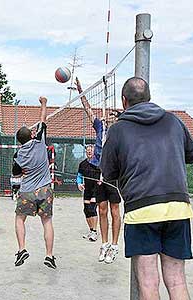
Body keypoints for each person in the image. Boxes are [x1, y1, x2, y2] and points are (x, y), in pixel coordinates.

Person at [101, 77, 193, 299]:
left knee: (148, 283)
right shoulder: (174, 121)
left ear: (124, 101)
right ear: (149, 98)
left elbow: (108, 173)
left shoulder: (118, 130)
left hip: (141, 208)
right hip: (178, 206)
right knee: (176, 281)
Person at [75, 77, 121, 264]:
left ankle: (115, 245)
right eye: (109, 114)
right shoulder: (100, 127)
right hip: (97, 171)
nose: (109, 115)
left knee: (115, 210)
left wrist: (121, 115)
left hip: (113, 173)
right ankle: (104, 244)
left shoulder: (120, 129)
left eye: (113, 114)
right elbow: (88, 110)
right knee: (101, 210)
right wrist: (81, 92)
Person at [13, 96, 56, 269]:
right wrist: (44, 103)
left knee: (19, 219)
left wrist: (24, 170)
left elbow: (16, 173)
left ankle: (22, 249)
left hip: (27, 191)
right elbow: (42, 120)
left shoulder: (18, 155)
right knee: (47, 222)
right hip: (45, 189)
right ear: (31, 134)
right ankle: (49, 255)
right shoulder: (40, 141)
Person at [77, 144, 99, 242]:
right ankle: (91, 230)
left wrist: (101, 180)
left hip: (97, 189)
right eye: (87, 150)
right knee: (86, 210)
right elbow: (79, 176)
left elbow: (103, 173)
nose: (89, 152)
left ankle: (94, 231)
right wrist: (79, 183)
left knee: (92, 208)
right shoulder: (82, 164)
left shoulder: (98, 163)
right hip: (87, 189)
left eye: (91, 150)